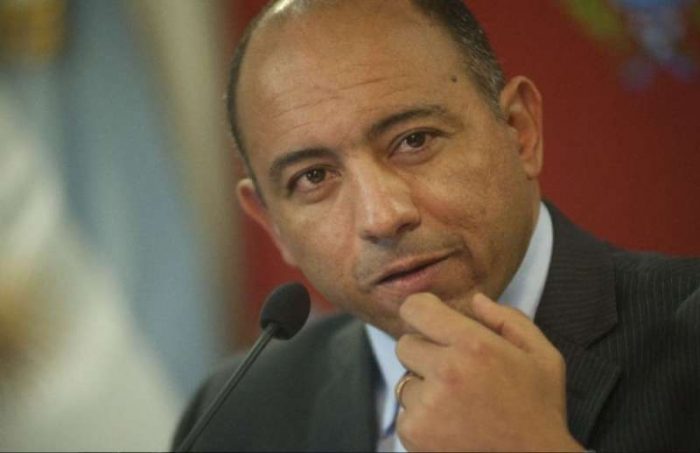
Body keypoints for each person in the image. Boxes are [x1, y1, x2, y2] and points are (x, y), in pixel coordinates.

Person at [174, 0, 700, 451]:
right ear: (272, 224)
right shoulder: (235, 415)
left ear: (520, 131)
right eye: (313, 177)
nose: (382, 217)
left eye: (414, 141)